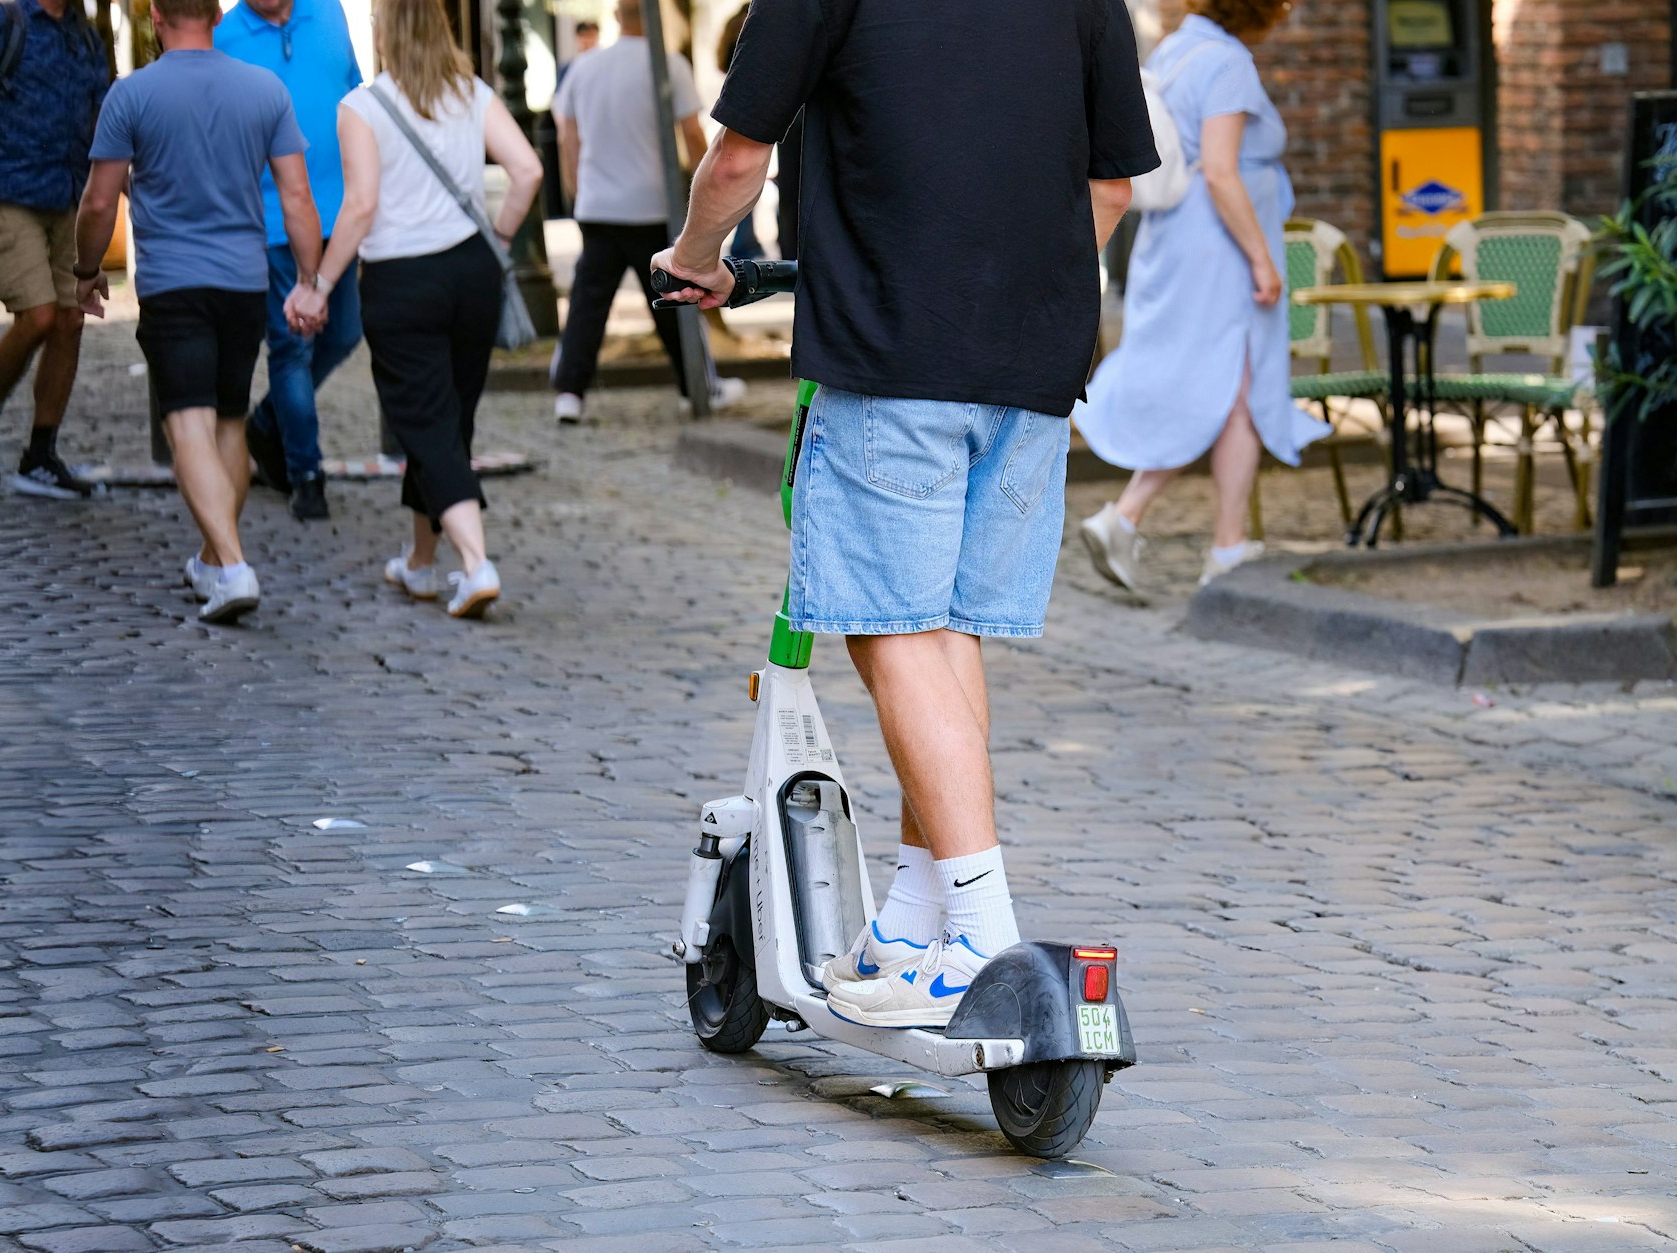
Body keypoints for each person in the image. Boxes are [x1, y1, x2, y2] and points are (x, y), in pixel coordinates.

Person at [654, 0, 1155, 1028]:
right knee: (943, 633)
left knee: (891, 629)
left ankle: (978, 929)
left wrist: (699, 255)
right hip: (1032, 362)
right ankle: (908, 919)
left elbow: (738, 157)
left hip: (895, 353)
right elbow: (1110, 183)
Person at [285, 0, 542, 619]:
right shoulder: (472, 93)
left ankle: (475, 563)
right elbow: (528, 170)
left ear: (384, 33)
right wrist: (500, 239)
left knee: (426, 424)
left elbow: (361, 207)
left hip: (403, 281)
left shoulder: (362, 110)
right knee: (447, 422)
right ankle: (422, 563)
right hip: (473, 273)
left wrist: (318, 284)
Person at [72, 0, 324, 624]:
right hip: (243, 280)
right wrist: (309, 278)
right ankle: (215, 558)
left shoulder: (130, 96)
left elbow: (100, 201)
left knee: (186, 423)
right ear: (215, 14)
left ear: (154, 16)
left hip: (173, 284)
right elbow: (296, 196)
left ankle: (234, 566)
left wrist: (84, 270)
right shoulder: (264, 89)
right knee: (229, 423)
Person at [1075, 0, 1325, 590]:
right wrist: (1262, 258)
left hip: (1174, 243)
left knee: (1215, 383)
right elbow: (1221, 170)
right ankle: (1214, 541)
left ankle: (1151, 523)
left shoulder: (1177, 52)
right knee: (1234, 385)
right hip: (1220, 250)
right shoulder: (1228, 61)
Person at [549, 0, 744, 425]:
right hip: (651, 204)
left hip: (598, 204)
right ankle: (698, 385)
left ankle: (570, 393)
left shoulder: (585, 68)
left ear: (617, 17)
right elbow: (693, 135)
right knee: (672, 297)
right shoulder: (667, 64)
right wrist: (703, 194)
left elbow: (567, 135)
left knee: (588, 301)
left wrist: (576, 189)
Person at [0, 0, 109, 499]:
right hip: (10, 191)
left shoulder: (86, 38)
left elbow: (103, 118)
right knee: (38, 316)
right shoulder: (2, 25)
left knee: (71, 318)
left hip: (70, 195)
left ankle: (40, 455)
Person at [217, 0, 365, 522]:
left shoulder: (329, 12)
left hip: (341, 214)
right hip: (272, 218)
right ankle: (306, 472)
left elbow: (354, 94)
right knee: (292, 344)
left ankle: (266, 422)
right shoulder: (225, 34)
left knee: (345, 331)